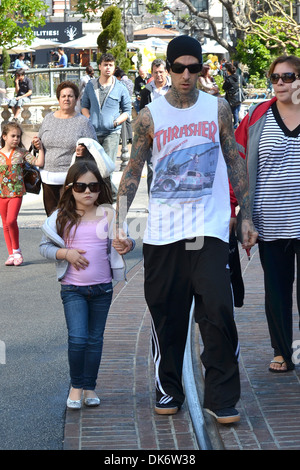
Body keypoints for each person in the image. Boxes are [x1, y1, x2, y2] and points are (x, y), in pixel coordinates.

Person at [115, 35, 257, 424]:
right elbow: (132, 172)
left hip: (208, 232)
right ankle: (168, 388)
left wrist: (246, 215)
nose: (186, 75)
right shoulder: (150, 115)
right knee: (166, 317)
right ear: (168, 68)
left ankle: (223, 397)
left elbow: (235, 162)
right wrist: (118, 222)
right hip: (163, 235)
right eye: (178, 67)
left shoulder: (219, 109)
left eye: (194, 68)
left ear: (201, 70)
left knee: (218, 311)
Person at [39, 160, 134, 410]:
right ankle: (76, 386)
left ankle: (89, 386)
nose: (88, 192)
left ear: (100, 188)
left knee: (95, 340)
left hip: (102, 288)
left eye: (93, 186)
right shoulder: (60, 217)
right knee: (78, 338)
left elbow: (127, 239)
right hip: (73, 289)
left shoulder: (109, 214)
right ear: (70, 187)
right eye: (81, 186)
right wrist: (66, 254)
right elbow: (44, 248)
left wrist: (128, 245)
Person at [235, 55, 300, 373]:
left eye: (287, 77)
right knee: (276, 289)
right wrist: (241, 213)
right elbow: (238, 161)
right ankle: (282, 351)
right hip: (269, 221)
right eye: (274, 78)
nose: (280, 83)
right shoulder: (259, 115)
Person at [33, 81, 97, 217]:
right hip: (47, 178)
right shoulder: (48, 119)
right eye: (63, 96)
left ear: (76, 99)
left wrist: (84, 151)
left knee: (69, 217)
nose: (66, 99)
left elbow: (95, 148)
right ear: (58, 99)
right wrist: (37, 144)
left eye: (70, 96)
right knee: (52, 219)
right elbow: (40, 141)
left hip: (70, 179)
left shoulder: (83, 122)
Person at [81, 53, 131, 200]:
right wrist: (89, 119)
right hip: (93, 132)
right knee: (94, 167)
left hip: (112, 133)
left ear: (114, 67)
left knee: (106, 168)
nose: (108, 68)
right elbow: (84, 106)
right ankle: (113, 194)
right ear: (100, 67)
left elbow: (127, 111)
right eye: (105, 65)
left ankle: (112, 196)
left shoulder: (120, 87)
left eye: (111, 65)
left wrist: (116, 122)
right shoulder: (91, 85)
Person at [0, 122, 44, 266]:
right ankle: (11, 254)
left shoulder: (21, 153)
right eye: (13, 136)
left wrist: (41, 149)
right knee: (5, 224)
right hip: (1, 194)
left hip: (16, 193)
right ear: (4, 136)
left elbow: (38, 162)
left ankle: (17, 250)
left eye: (18, 136)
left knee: (11, 220)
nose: (16, 139)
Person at [139, 59, 171, 192]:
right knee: (152, 169)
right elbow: (142, 113)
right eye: (156, 72)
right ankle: (152, 200)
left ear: (166, 72)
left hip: (171, 134)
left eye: (161, 72)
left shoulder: (174, 89)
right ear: (151, 73)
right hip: (152, 135)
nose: (159, 75)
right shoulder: (147, 91)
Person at [223, 63, 246, 129]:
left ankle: (236, 126)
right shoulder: (240, 77)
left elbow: (224, 87)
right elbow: (244, 84)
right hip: (239, 96)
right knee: (237, 110)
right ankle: (239, 123)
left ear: (228, 71)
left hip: (231, 98)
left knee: (234, 112)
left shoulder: (228, 79)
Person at [114, 67, 134, 143]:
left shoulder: (120, 83)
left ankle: (124, 138)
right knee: (128, 120)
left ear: (118, 76)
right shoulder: (130, 81)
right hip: (129, 102)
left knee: (121, 120)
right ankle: (130, 137)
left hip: (121, 103)